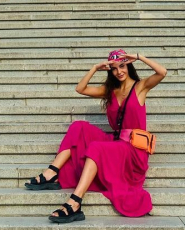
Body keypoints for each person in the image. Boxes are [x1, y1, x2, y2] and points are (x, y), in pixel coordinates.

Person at [24, 49, 167, 224]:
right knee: (79, 127)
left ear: (128, 66)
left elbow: (162, 72)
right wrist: (94, 68)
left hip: (133, 151)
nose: (119, 71)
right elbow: (80, 88)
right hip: (116, 143)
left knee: (96, 148)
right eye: (114, 68)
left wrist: (138, 57)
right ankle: (51, 173)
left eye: (122, 66)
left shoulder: (140, 87)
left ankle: (75, 202)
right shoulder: (110, 91)